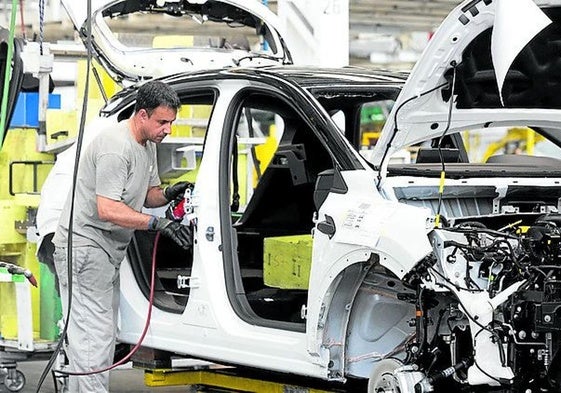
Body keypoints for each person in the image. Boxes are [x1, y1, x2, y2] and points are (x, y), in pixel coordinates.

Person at [52, 80, 192, 392]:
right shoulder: (116, 147)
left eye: (171, 122)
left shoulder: (147, 145)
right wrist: (156, 225)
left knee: (94, 339)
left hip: (105, 252)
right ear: (142, 115)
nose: (168, 129)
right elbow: (108, 209)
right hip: (86, 248)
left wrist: (170, 193)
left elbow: (147, 195)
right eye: (162, 122)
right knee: (93, 340)